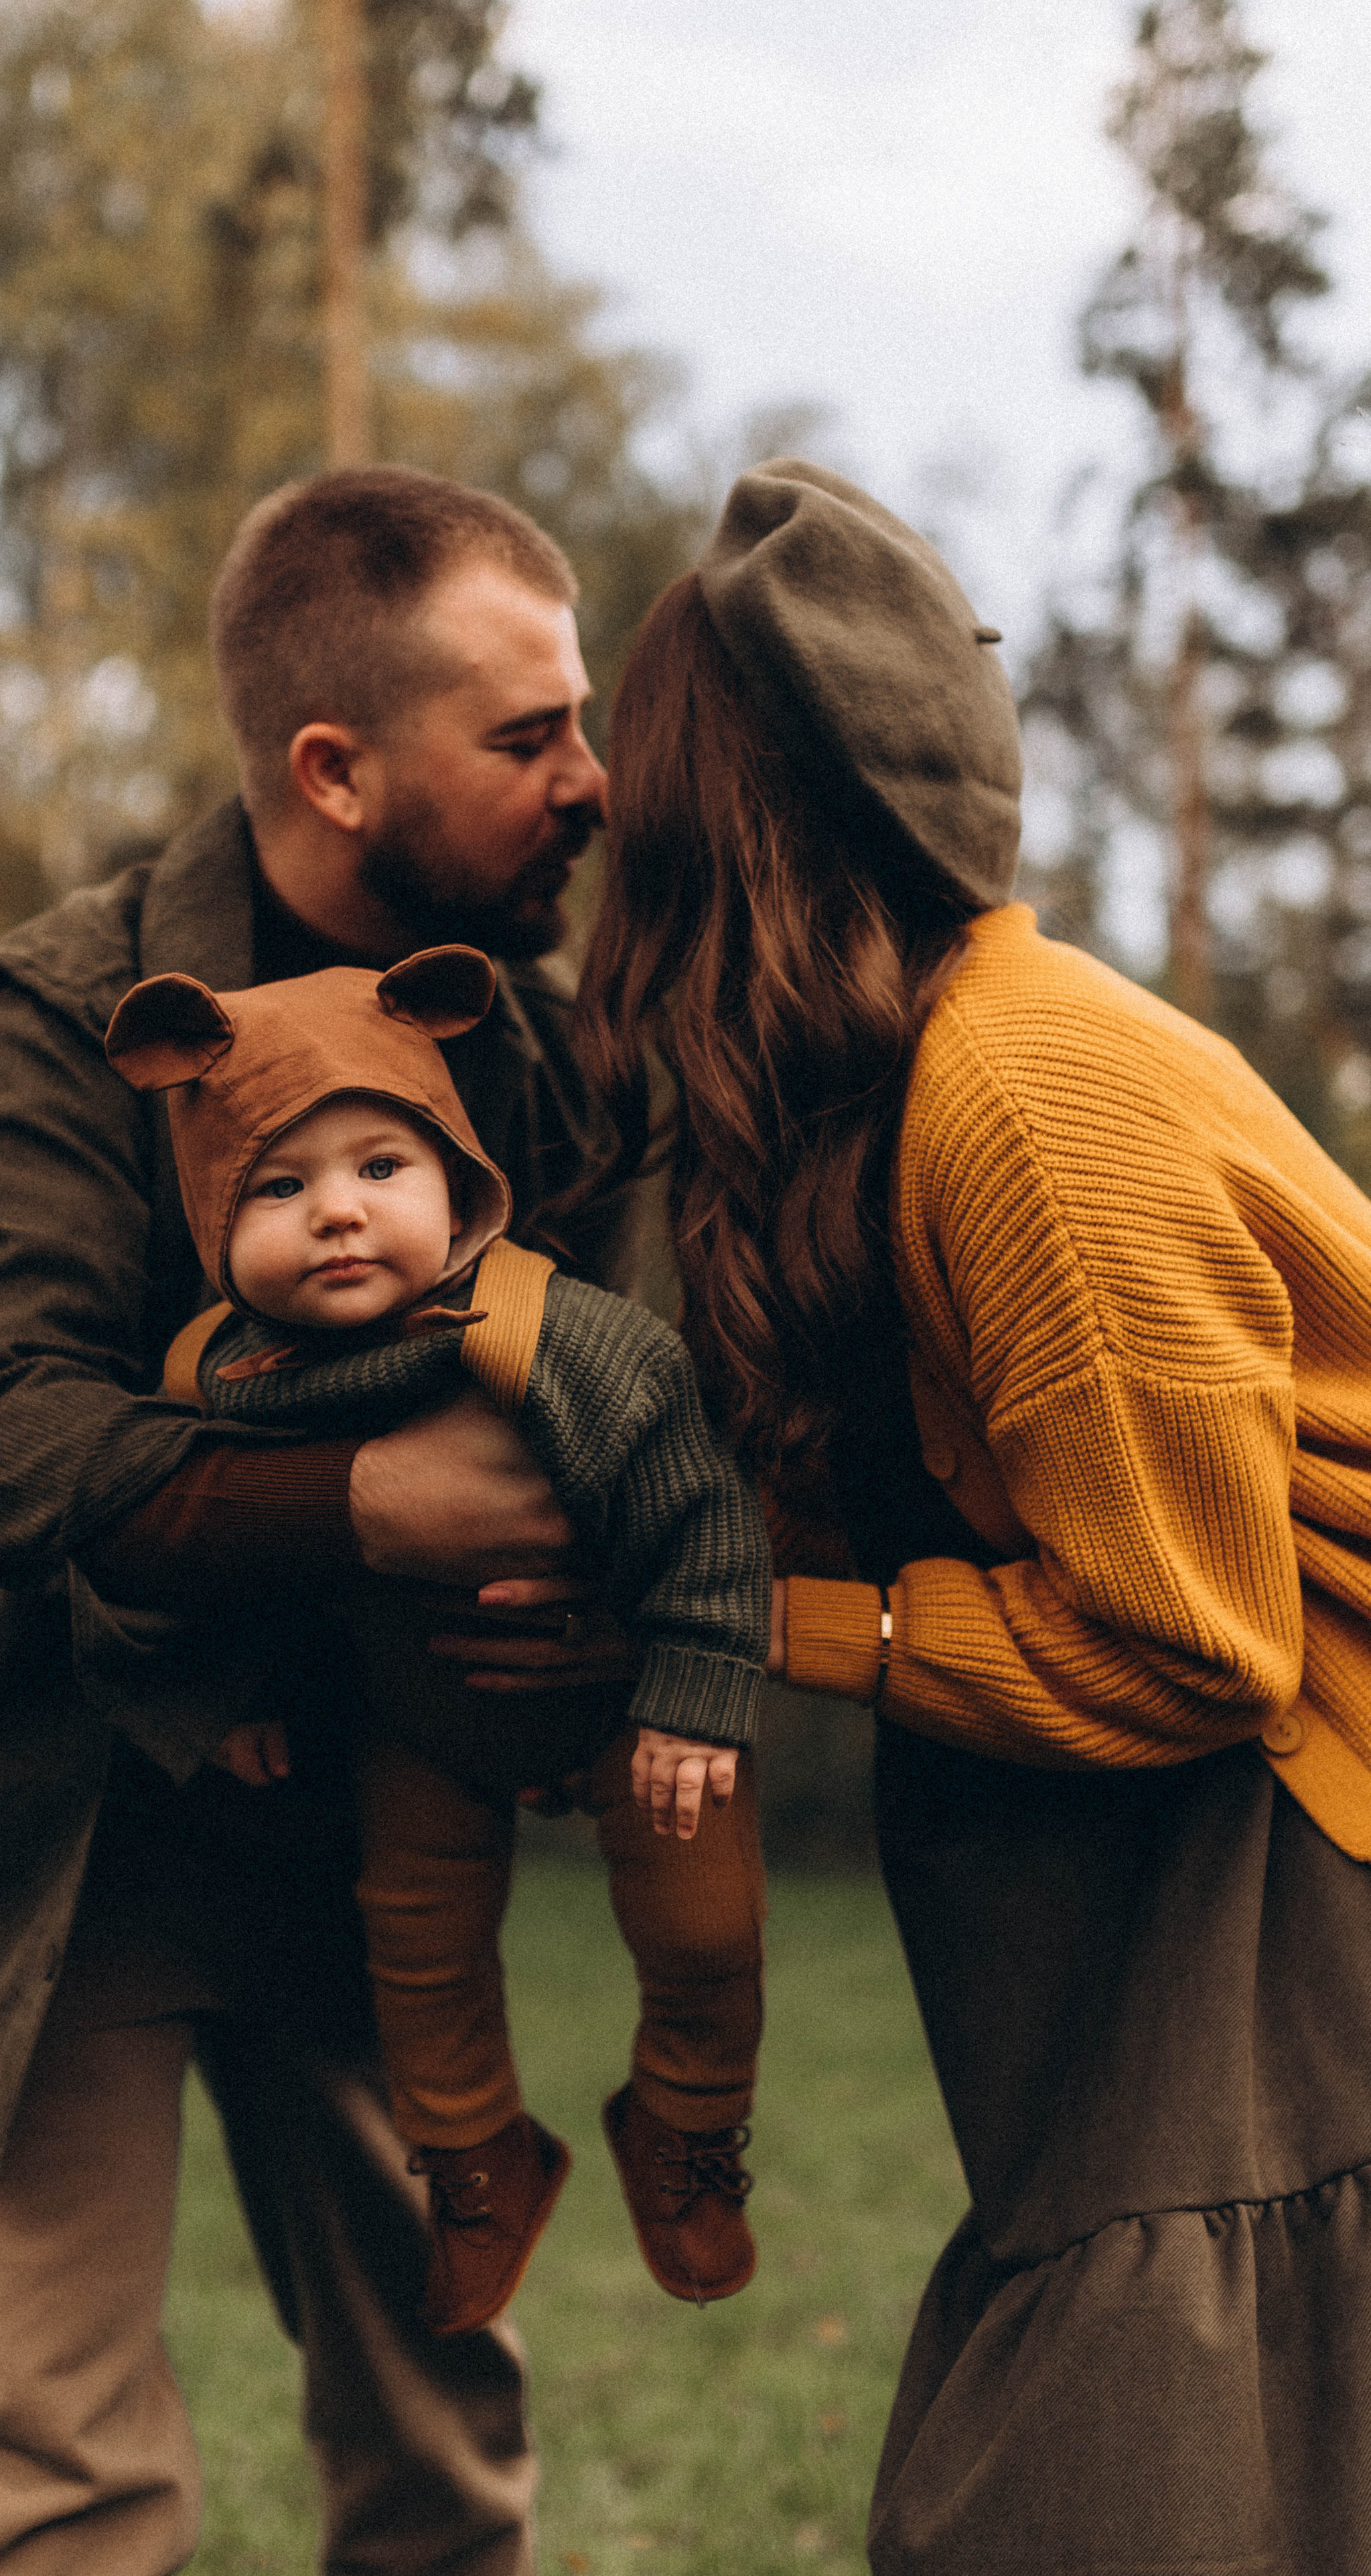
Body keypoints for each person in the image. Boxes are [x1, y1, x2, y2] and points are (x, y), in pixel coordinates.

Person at [0, 465, 646, 2576]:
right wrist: (375, 1498)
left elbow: (630, 1408)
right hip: (54, 1837)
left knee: (444, 2452)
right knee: (49, 2492)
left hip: (382, 1848)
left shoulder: (531, 1061)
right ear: (334, 768)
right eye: (531, 736)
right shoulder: (54, 1022)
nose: (593, 779)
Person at [571, 457, 1371, 2575]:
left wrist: (778, 1626)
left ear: (715, 818)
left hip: (1305, 1876)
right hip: (1193, 1920)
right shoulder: (911, 1078)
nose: (589, 826)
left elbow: (1199, 1646)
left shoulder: (1027, 1101)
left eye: (624, 780)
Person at [94, 939, 770, 2332]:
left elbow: (696, 1507)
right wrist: (227, 1691)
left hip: (629, 1709)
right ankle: (476, 2163)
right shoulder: (220, 1377)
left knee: (705, 1925)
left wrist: (694, 1688)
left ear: (457, 1178)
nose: (335, 1214)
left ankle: (683, 2122)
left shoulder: (564, 1341)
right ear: (216, 1219)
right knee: (416, 1949)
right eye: (278, 1187)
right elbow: (215, 1561)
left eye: (378, 1170)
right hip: (417, 1719)